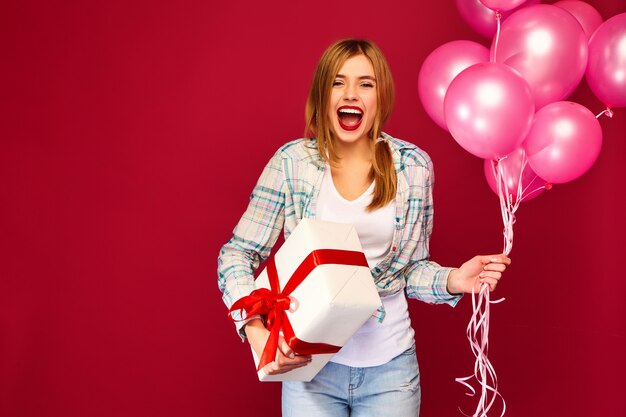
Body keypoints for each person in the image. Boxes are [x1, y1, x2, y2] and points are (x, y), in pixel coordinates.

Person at [217, 39, 511, 417]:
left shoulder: (413, 167)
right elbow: (238, 253)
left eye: (366, 83)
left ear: (380, 95)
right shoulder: (292, 163)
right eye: (338, 82)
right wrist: (256, 332)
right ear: (323, 93)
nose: (351, 93)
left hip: (391, 370)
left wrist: (455, 279)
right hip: (309, 371)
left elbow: (410, 270)